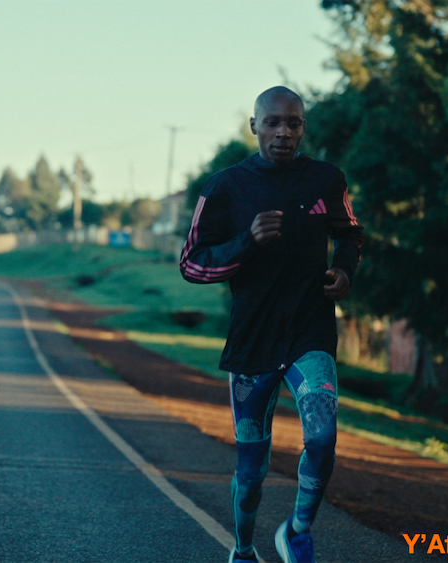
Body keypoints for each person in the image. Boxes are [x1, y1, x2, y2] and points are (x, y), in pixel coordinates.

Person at [180, 86, 363, 563]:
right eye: (274, 122)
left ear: (303, 127)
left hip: (310, 332)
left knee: (322, 438)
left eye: (294, 123)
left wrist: (344, 272)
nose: (284, 132)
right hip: (253, 340)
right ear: (254, 125)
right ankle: (242, 550)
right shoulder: (224, 188)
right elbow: (191, 264)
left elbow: (350, 234)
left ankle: (297, 531)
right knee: (252, 468)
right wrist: (247, 240)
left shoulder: (327, 179)